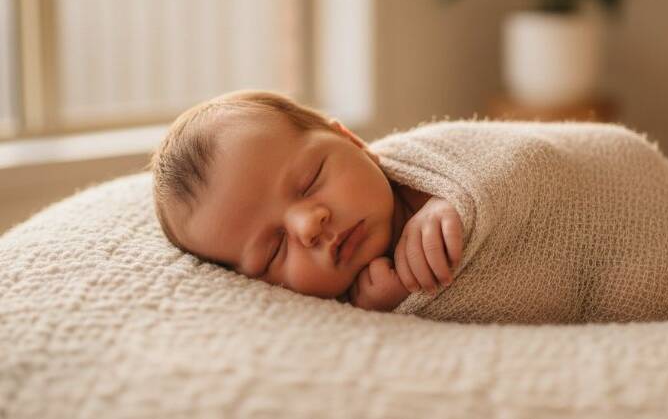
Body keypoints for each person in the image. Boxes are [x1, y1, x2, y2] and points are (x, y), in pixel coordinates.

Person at [150, 89, 459, 312]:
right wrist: (397, 307)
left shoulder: (437, 161)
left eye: (310, 181)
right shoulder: (347, 310)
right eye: (275, 250)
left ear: (352, 141)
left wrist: (453, 199)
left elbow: (502, 158)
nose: (309, 225)